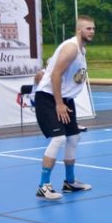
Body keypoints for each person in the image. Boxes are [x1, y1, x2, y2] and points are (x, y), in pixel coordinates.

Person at [34, 15, 95, 200]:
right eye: (88, 28)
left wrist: (63, 101)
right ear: (79, 30)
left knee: (74, 137)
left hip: (65, 99)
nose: (92, 31)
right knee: (58, 138)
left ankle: (69, 182)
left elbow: (51, 68)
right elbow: (56, 75)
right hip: (49, 98)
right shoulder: (71, 48)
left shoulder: (81, 50)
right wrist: (59, 104)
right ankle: (43, 186)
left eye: (93, 28)